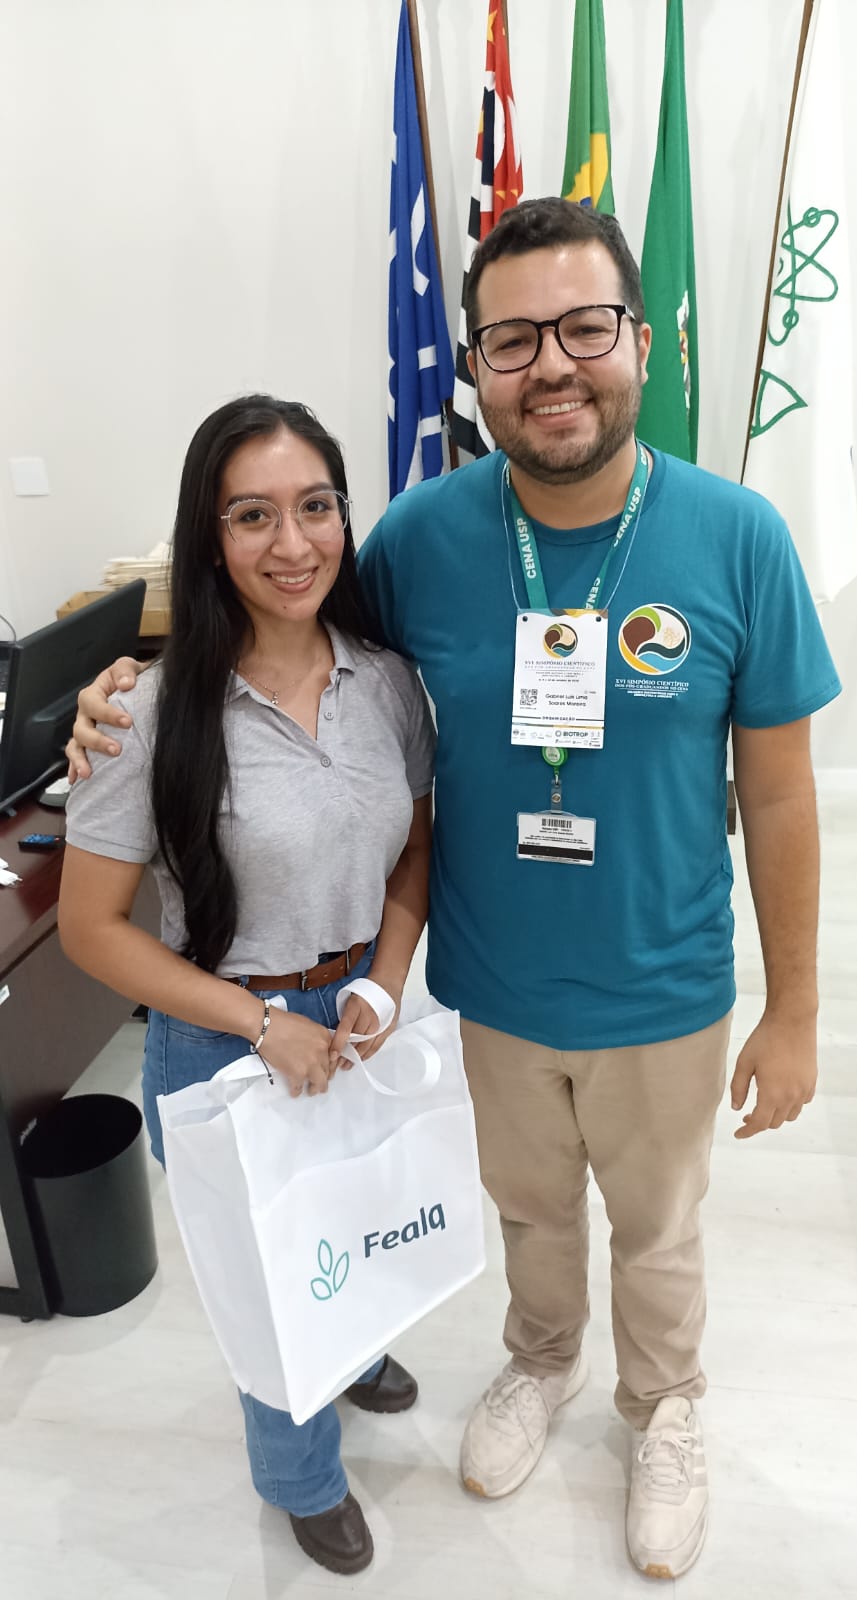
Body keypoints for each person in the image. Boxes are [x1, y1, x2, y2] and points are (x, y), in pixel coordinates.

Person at [68, 199, 841, 1582]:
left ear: (641, 342)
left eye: (584, 328)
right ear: (474, 367)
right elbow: (284, 625)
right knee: (529, 1211)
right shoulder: (422, 537)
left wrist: (794, 1011)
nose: (552, 366)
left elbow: (779, 794)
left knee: (658, 1230)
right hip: (486, 987)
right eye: (513, 340)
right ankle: (539, 1360)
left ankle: (664, 1406)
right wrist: (117, 688)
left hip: (664, 983)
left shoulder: (740, 538)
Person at [59, 395, 435, 1578]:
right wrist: (264, 1024)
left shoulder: (386, 682)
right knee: (270, 1285)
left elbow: (415, 847)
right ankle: (302, 1478)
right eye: (252, 515)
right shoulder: (145, 715)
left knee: (356, 1221)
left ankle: (355, 1348)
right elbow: (89, 931)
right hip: (223, 1033)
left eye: (315, 506)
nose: (292, 542)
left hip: (357, 1017)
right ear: (209, 536)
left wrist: (384, 986)